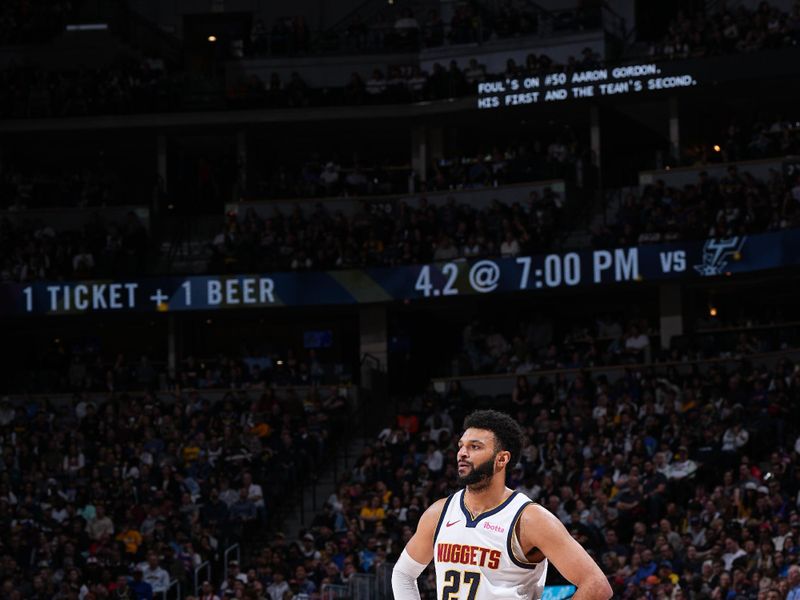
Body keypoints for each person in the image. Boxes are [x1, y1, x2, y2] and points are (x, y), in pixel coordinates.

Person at [391, 409, 612, 599]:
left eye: (475, 447)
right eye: (461, 446)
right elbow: (403, 573)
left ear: (502, 459)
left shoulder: (529, 518)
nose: (462, 453)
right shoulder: (439, 513)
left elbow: (597, 585)